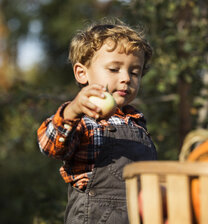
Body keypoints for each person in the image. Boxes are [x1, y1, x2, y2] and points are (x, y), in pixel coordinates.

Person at [37, 19, 157, 224]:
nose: (126, 78)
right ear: (82, 73)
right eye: (114, 69)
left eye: (134, 72)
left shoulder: (137, 123)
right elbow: (50, 145)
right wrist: (72, 110)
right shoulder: (83, 120)